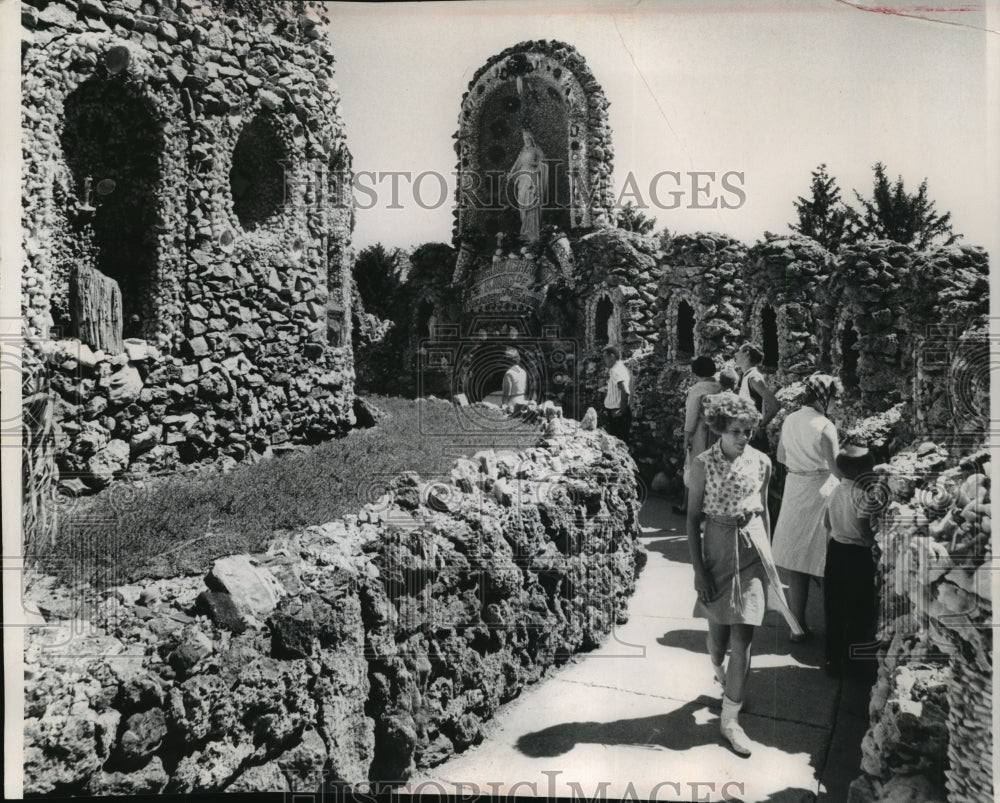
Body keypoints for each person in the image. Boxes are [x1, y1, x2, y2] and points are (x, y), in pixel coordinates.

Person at [687, 391, 801, 757]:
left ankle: (730, 718)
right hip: (717, 550)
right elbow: (691, 520)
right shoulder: (703, 464)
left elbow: (765, 510)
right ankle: (717, 670)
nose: (743, 438)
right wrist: (699, 571)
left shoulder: (763, 462)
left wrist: (770, 561)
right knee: (719, 641)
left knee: (744, 639)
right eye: (736, 431)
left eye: (748, 431)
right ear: (720, 428)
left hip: (752, 551)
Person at [771, 373, 843, 641]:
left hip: (794, 486)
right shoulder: (825, 426)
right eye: (834, 398)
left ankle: (797, 627)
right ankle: (833, 629)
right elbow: (836, 469)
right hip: (820, 489)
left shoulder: (790, 419)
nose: (836, 403)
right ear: (824, 397)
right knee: (823, 561)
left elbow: (780, 456)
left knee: (796, 562)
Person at [823, 445, 879, 678]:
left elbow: (827, 524)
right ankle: (852, 660)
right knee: (858, 609)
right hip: (858, 555)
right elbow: (865, 531)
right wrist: (874, 545)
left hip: (836, 551)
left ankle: (832, 659)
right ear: (860, 471)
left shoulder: (833, 490)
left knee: (834, 607)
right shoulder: (863, 496)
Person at [674, 356, 722, 515]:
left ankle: (689, 506)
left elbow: (692, 415)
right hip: (717, 432)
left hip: (700, 432)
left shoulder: (697, 389)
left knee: (694, 468)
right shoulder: (718, 387)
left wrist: (687, 436)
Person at [735, 343, 779, 452]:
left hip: (753, 435)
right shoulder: (748, 376)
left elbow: (775, 404)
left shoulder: (753, 378)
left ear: (746, 354)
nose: (736, 354)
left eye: (739, 351)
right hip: (747, 431)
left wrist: (761, 426)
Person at [509, 130, 547, 243]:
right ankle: (525, 231)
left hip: (532, 177)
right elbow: (517, 163)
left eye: (527, 139)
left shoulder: (536, 150)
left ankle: (533, 232)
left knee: (531, 202)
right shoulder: (522, 151)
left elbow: (544, 163)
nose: (526, 141)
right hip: (522, 177)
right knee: (522, 201)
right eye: (524, 140)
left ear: (531, 139)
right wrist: (511, 173)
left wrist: (535, 164)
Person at [602, 345, 631, 446]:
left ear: (612, 356)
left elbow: (626, 391)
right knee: (619, 443)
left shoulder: (616, 371)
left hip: (617, 413)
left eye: (605, 357)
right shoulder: (619, 368)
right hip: (616, 412)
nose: (604, 360)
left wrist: (621, 411)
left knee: (618, 444)